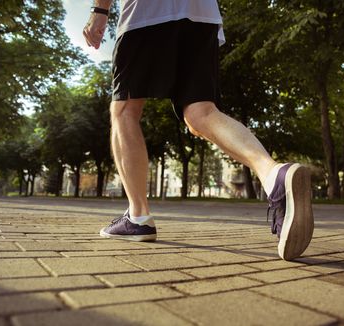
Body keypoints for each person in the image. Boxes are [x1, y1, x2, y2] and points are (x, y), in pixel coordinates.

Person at [83, 0, 314, 260]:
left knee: (124, 110)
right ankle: (273, 174)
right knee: (200, 113)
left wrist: (100, 11)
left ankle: (137, 216)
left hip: (145, 11)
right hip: (202, 13)